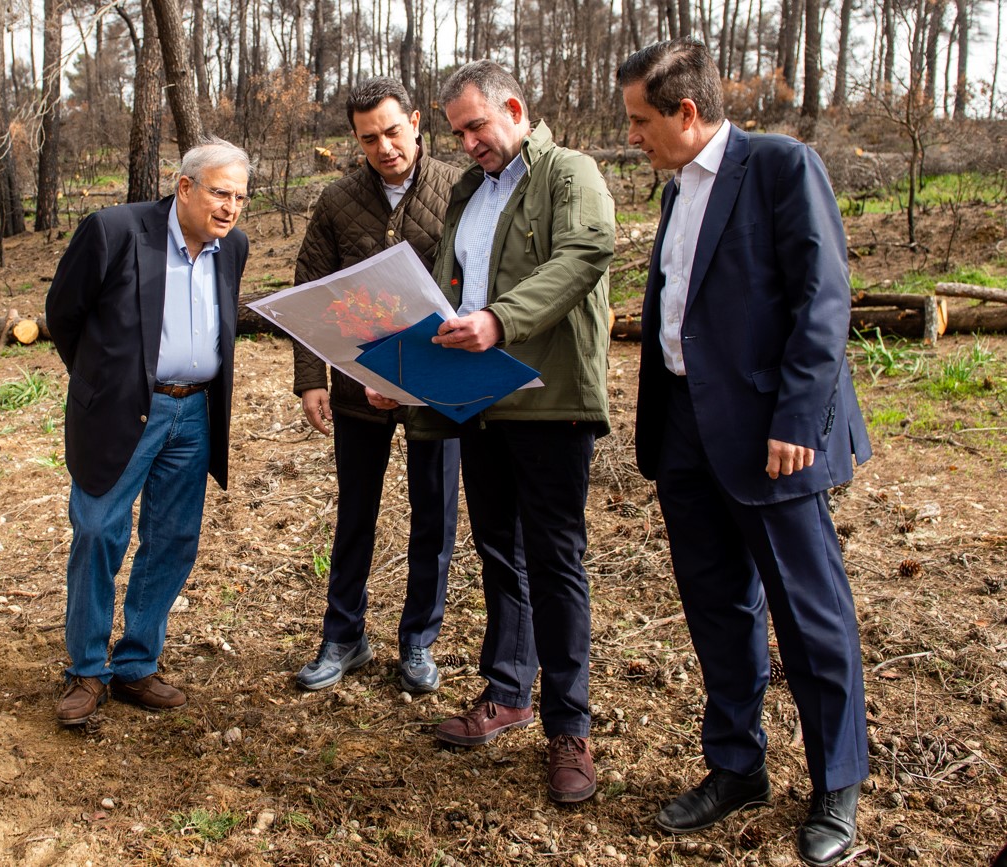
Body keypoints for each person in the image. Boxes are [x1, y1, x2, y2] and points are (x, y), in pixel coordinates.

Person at [618, 39, 871, 867]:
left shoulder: (780, 167)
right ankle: (736, 764)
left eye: (642, 121)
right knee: (718, 604)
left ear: (687, 113)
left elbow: (823, 299)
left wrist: (797, 420)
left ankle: (836, 780)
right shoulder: (674, 190)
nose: (635, 137)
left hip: (772, 436)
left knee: (808, 610)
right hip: (688, 427)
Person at [385, 59, 614, 804]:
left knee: (553, 557)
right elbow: (451, 296)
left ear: (514, 109)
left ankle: (568, 726)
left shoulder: (568, 174)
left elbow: (583, 257)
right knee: (498, 552)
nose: (469, 142)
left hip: (547, 399)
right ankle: (508, 689)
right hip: (476, 402)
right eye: (457, 131)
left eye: (477, 125)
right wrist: (399, 369)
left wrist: (499, 320)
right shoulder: (469, 191)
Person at [44, 138, 251, 727]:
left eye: (239, 197)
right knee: (97, 531)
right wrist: (103, 383)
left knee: (174, 538)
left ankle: (137, 664)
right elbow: (64, 314)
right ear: (185, 188)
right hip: (125, 412)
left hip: (195, 416)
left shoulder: (231, 247)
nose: (230, 207)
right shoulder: (113, 231)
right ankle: (86, 670)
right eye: (219, 192)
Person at [291, 78, 463, 695]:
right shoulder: (338, 201)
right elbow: (310, 283)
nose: (384, 147)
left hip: (433, 381)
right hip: (358, 382)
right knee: (355, 511)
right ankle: (344, 636)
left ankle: (418, 640)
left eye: (393, 131)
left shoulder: (459, 187)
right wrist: (312, 379)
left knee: (433, 515)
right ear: (355, 141)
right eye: (369, 138)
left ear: (415, 122)